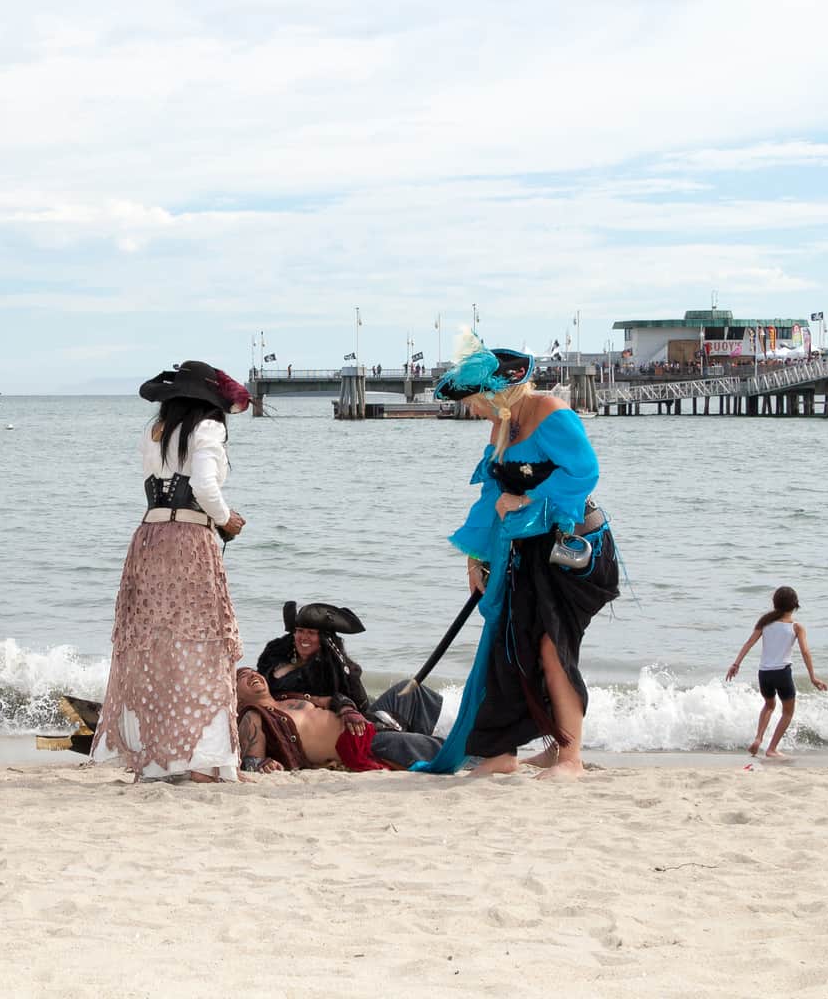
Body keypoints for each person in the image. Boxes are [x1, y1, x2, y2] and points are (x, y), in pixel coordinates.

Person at [415, 331, 620, 780]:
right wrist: (474, 557)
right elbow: (493, 495)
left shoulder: (550, 412)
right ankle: (501, 753)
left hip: (575, 552)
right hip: (526, 551)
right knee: (511, 648)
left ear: (495, 392)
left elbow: (584, 472)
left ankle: (571, 757)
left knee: (551, 646)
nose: (470, 409)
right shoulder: (502, 426)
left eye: (473, 399)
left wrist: (530, 502)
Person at [90, 360, 250, 783]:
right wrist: (226, 518)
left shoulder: (154, 431)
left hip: (148, 538)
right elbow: (203, 487)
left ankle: (157, 760)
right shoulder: (208, 430)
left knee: (154, 647)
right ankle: (202, 763)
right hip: (189, 541)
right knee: (202, 647)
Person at [256, 601, 443, 736]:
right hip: (320, 727)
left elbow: (357, 705)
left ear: (324, 640)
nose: (303, 637)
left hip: (362, 717)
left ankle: (424, 736)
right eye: (300, 631)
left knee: (413, 690)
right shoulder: (277, 662)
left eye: (311, 633)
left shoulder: (333, 670)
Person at [233, 668, 442, 772]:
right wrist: (260, 764)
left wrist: (348, 709)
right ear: (236, 696)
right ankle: (462, 752)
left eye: (254, 672)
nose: (253, 675)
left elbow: (332, 699)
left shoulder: (288, 698)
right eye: (243, 676)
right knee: (431, 746)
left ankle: (420, 738)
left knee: (410, 690)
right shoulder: (254, 715)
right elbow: (252, 760)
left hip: (365, 722)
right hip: (358, 745)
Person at [726, 586, 826, 760]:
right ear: (795, 605)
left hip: (764, 673)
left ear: (775, 603)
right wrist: (813, 677)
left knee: (769, 705)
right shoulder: (796, 627)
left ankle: (758, 738)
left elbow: (749, 642)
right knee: (787, 712)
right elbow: (805, 652)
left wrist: (736, 664)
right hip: (782, 673)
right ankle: (771, 748)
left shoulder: (765, 623)